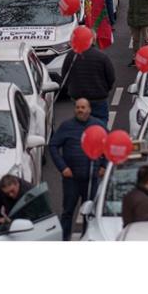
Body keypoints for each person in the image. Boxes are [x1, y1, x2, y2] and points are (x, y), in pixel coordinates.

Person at [50, 98, 107, 240]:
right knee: (68, 212)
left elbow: (108, 144)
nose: (80, 110)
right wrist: (62, 167)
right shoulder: (66, 126)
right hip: (71, 179)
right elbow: (53, 146)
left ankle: (87, 239)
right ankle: (64, 239)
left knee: (90, 213)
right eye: (77, 107)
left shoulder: (98, 126)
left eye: (83, 107)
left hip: (91, 178)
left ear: (89, 109)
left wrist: (103, 165)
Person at [61, 43, 116, 123]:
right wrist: (106, 89)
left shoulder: (71, 55)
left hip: (78, 97)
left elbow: (65, 75)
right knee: (100, 124)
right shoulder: (101, 56)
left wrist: (71, 89)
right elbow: (111, 77)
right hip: (98, 97)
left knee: (81, 122)